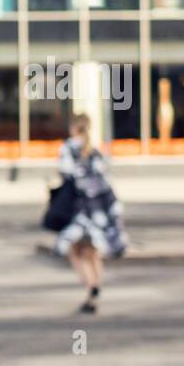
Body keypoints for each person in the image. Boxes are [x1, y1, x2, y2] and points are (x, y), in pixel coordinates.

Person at [55, 114, 128, 314]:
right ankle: (95, 290)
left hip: (79, 209)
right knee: (92, 252)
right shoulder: (95, 152)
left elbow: (65, 173)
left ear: (73, 128)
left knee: (74, 250)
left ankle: (90, 286)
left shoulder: (68, 148)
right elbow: (105, 180)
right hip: (99, 209)